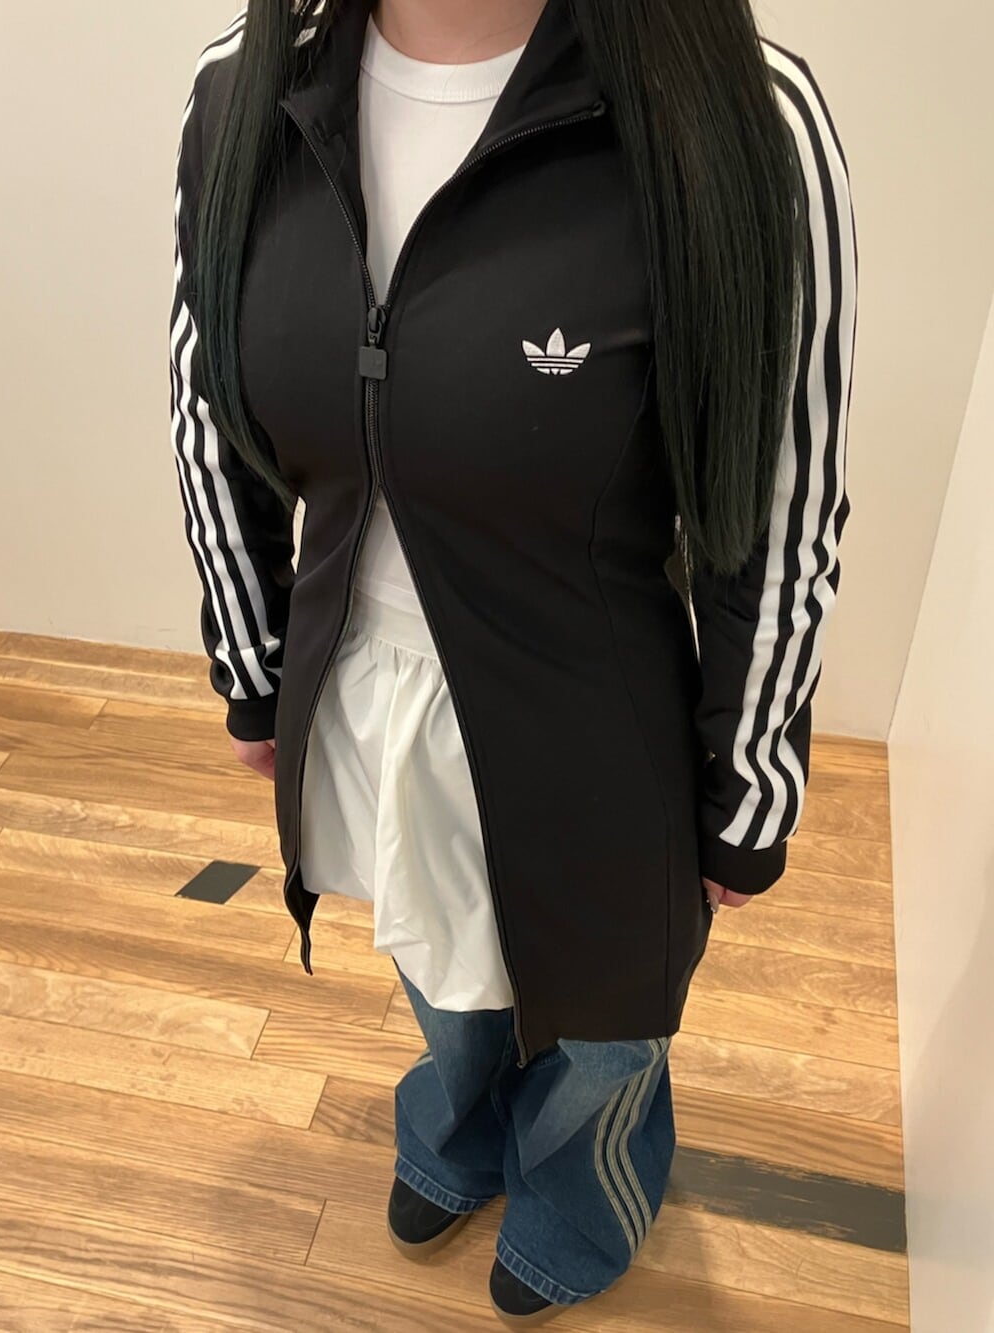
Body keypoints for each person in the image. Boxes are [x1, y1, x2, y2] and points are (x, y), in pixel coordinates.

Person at [167, 0, 857, 1323]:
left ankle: (582, 1186)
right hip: (365, 683)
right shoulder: (242, 91)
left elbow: (782, 496)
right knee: (435, 960)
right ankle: (459, 1119)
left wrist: (752, 778)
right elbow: (210, 412)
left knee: (603, 1026)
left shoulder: (746, 113)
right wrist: (251, 659)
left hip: (599, 717)